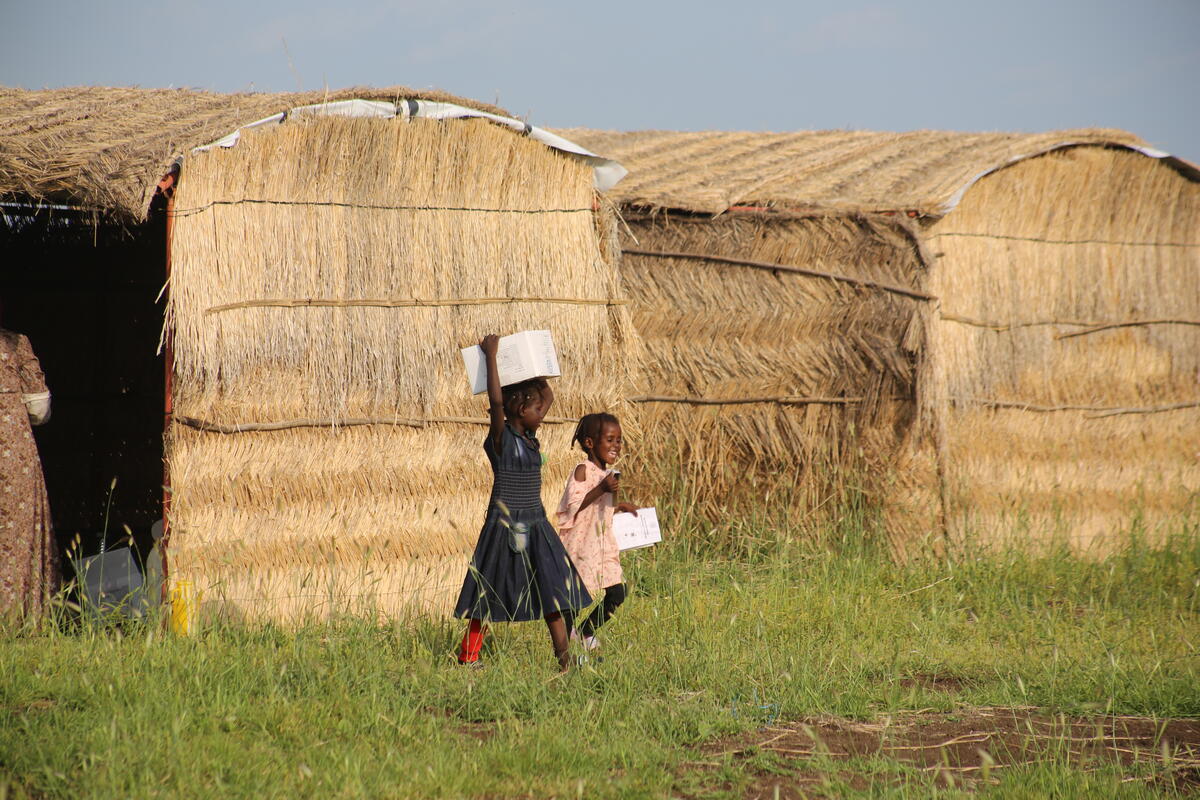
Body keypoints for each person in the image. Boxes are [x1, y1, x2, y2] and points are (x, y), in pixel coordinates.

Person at [453, 334, 591, 671]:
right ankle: (468, 657)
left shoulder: (530, 440)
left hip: (536, 523)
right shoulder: (502, 438)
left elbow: (548, 395)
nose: (542, 413)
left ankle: (564, 661)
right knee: (488, 591)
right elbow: (497, 404)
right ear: (518, 409)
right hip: (504, 525)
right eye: (536, 409)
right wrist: (492, 357)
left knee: (552, 592)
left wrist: (536, 369)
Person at [555, 412, 639, 657]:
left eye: (619, 440)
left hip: (602, 545)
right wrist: (601, 487)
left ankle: (586, 631)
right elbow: (574, 506)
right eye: (610, 440)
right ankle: (566, 650)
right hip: (581, 545)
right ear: (590, 443)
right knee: (573, 598)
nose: (616, 446)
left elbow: (604, 509)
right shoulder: (583, 470)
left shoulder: (609, 474)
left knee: (617, 592)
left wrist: (621, 506)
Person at [0, 326, 57, 619]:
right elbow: (39, 408)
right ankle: (17, 615)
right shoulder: (16, 344)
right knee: (18, 535)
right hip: (13, 454)